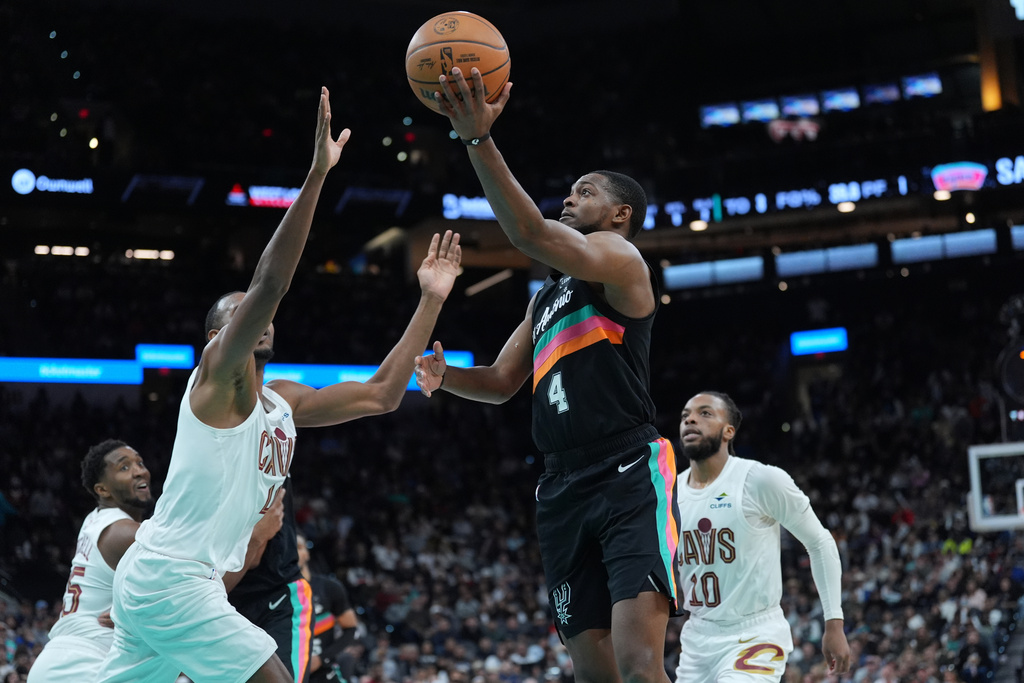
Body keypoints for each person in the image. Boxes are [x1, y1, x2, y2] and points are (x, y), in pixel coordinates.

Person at [96, 87, 462, 683]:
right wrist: (317, 176)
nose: (260, 318)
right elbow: (269, 282)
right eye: (241, 315)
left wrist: (429, 299)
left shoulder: (283, 399)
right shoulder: (216, 380)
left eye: (262, 315)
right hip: (175, 577)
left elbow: (381, 396)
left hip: (171, 581)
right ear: (218, 335)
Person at [414, 67, 680, 683]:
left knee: (641, 668)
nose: (569, 198)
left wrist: (478, 139)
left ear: (620, 214)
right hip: (561, 487)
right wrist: (446, 376)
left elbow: (529, 231)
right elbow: (505, 382)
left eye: (584, 192)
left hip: (627, 471)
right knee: (595, 676)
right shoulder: (546, 298)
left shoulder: (621, 260)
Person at [27, 439, 283, 682]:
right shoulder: (122, 533)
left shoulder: (98, 522)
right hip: (85, 665)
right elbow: (200, 588)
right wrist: (255, 537)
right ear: (102, 489)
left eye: (139, 463)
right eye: (124, 467)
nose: (139, 471)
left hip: (64, 659)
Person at [673, 391, 851, 682]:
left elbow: (819, 542)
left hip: (753, 633)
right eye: (685, 415)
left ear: (729, 431)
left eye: (705, 413)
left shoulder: (759, 480)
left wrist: (834, 622)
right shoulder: (670, 493)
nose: (690, 419)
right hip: (697, 637)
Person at [295, 532, 359, 683]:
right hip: (290, 672)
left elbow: (350, 628)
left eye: (298, 547)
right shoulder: (276, 592)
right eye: (288, 547)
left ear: (307, 553)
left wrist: (322, 658)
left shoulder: (329, 587)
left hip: (323, 672)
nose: (293, 552)